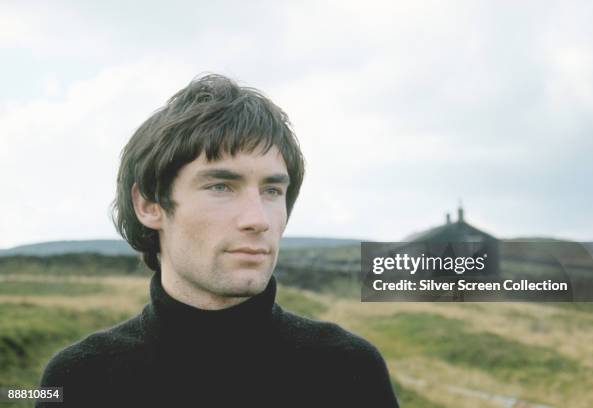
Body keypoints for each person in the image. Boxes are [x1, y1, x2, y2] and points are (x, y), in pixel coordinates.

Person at [37, 74, 399, 407]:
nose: (258, 220)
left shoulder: (347, 370)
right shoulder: (81, 381)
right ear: (148, 204)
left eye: (272, 190)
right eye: (221, 186)